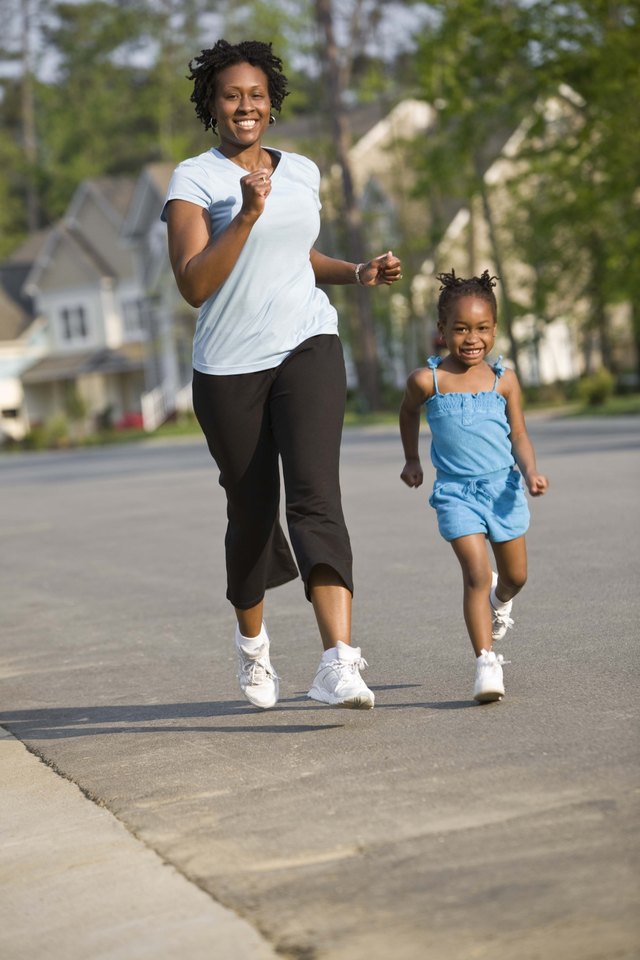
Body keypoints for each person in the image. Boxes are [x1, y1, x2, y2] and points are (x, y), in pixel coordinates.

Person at [162, 39, 402, 711]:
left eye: (257, 95)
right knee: (252, 512)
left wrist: (354, 272)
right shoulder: (193, 180)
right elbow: (194, 285)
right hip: (229, 368)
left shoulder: (301, 170)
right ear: (212, 103)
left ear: (273, 104)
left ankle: (339, 661)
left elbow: (298, 256)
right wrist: (244, 214)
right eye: (232, 94)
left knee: (316, 497)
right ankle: (253, 647)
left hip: (307, 343)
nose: (246, 105)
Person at [399, 269, 548, 703]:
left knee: (515, 576)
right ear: (442, 331)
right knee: (475, 574)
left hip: (503, 489)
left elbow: (518, 433)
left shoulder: (505, 381)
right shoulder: (428, 381)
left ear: (495, 330)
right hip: (456, 494)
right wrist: (411, 458)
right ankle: (485, 662)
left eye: (482, 328)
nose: (471, 338)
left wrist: (531, 471)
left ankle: (502, 602)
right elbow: (408, 413)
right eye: (460, 328)